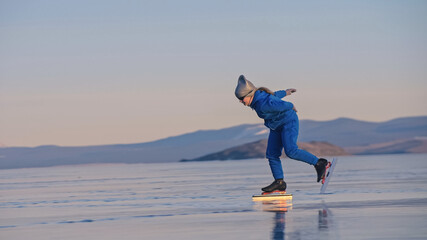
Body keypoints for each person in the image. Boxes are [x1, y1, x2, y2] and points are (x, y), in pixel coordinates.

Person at [234, 75, 329, 192]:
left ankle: (319, 163)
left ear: (249, 95)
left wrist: (290, 105)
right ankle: (279, 182)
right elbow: (273, 96)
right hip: (276, 126)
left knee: (291, 151)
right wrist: (285, 92)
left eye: (241, 98)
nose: (240, 101)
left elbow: (281, 104)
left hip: (288, 122)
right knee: (272, 154)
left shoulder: (262, 104)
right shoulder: (259, 97)